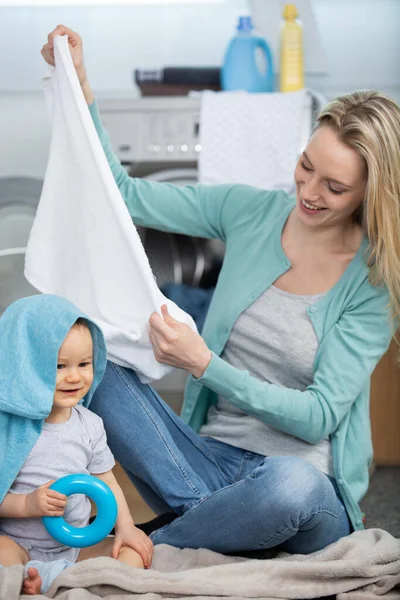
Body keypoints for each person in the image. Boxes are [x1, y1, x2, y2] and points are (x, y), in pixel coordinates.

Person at [41, 26, 400, 556]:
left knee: (289, 487)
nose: (308, 189)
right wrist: (82, 88)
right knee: (94, 360)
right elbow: (124, 194)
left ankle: (157, 541)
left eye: (335, 186)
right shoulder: (250, 210)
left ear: (372, 192)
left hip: (304, 493)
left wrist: (205, 364)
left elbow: (320, 416)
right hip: (204, 462)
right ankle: (218, 529)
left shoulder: (371, 282)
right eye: (306, 165)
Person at [0, 295, 153, 595]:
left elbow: (106, 481)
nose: (74, 376)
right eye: (58, 366)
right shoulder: (9, 429)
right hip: (18, 543)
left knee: (134, 554)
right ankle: (40, 574)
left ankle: (52, 576)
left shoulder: (90, 425)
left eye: (84, 363)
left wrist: (125, 526)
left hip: (76, 544)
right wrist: (27, 505)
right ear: (26, 366)